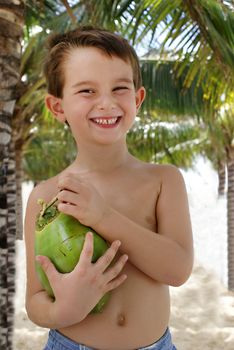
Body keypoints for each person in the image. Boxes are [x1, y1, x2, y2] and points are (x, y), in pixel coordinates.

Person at [24, 25, 194, 350]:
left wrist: (103, 216)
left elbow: (177, 270)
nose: (106, 103)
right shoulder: (45, 196)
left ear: (138, 98)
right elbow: (35, 301)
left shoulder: (163, 180)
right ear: (57, 107)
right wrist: (63, 309)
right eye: (87, 91)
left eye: (119, 88)